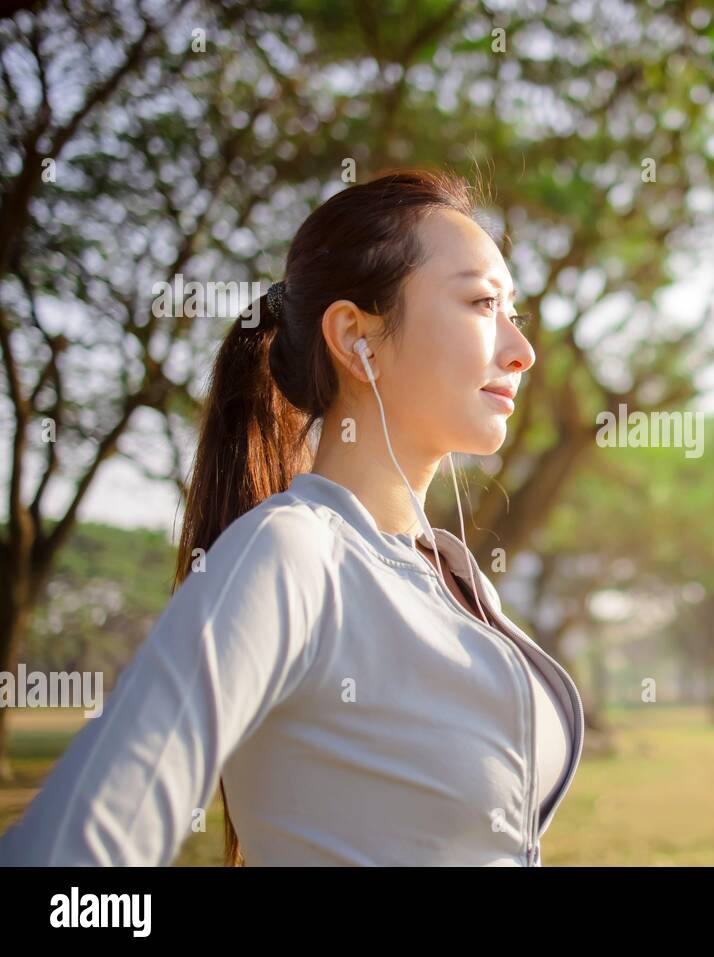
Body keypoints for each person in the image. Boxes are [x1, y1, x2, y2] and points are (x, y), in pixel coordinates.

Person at [0, 168, 583, 866]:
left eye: (512, 309)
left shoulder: (453, 573)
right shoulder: (290, 552)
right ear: (354, 336)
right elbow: (68, 855)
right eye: (483, 303)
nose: (521, 350)